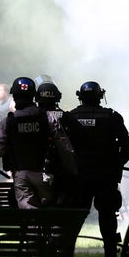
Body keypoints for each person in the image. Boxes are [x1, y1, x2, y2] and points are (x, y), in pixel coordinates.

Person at [69, 80, 129, 257]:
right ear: (100, 96)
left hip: (79, 176)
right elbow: (128, 149)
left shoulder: (71, 117)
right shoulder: (112, 116)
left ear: (80, 96)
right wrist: (115, 165)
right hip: (105, 176)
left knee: (75, 217)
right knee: (107, 217)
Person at [0, 77, 54, 209]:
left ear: (14, 97)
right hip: (46, 174)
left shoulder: (8, 122)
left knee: (30, 217)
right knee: (51, 212)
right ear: (33, 96)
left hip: (21, 175)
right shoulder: (47, 118)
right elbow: (64, 147)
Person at [34, 76, 81, 207]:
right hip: (63, 171)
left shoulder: (32, 117)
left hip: (35, 169)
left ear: (37, 98)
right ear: (57, 97)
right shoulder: (68, 118)